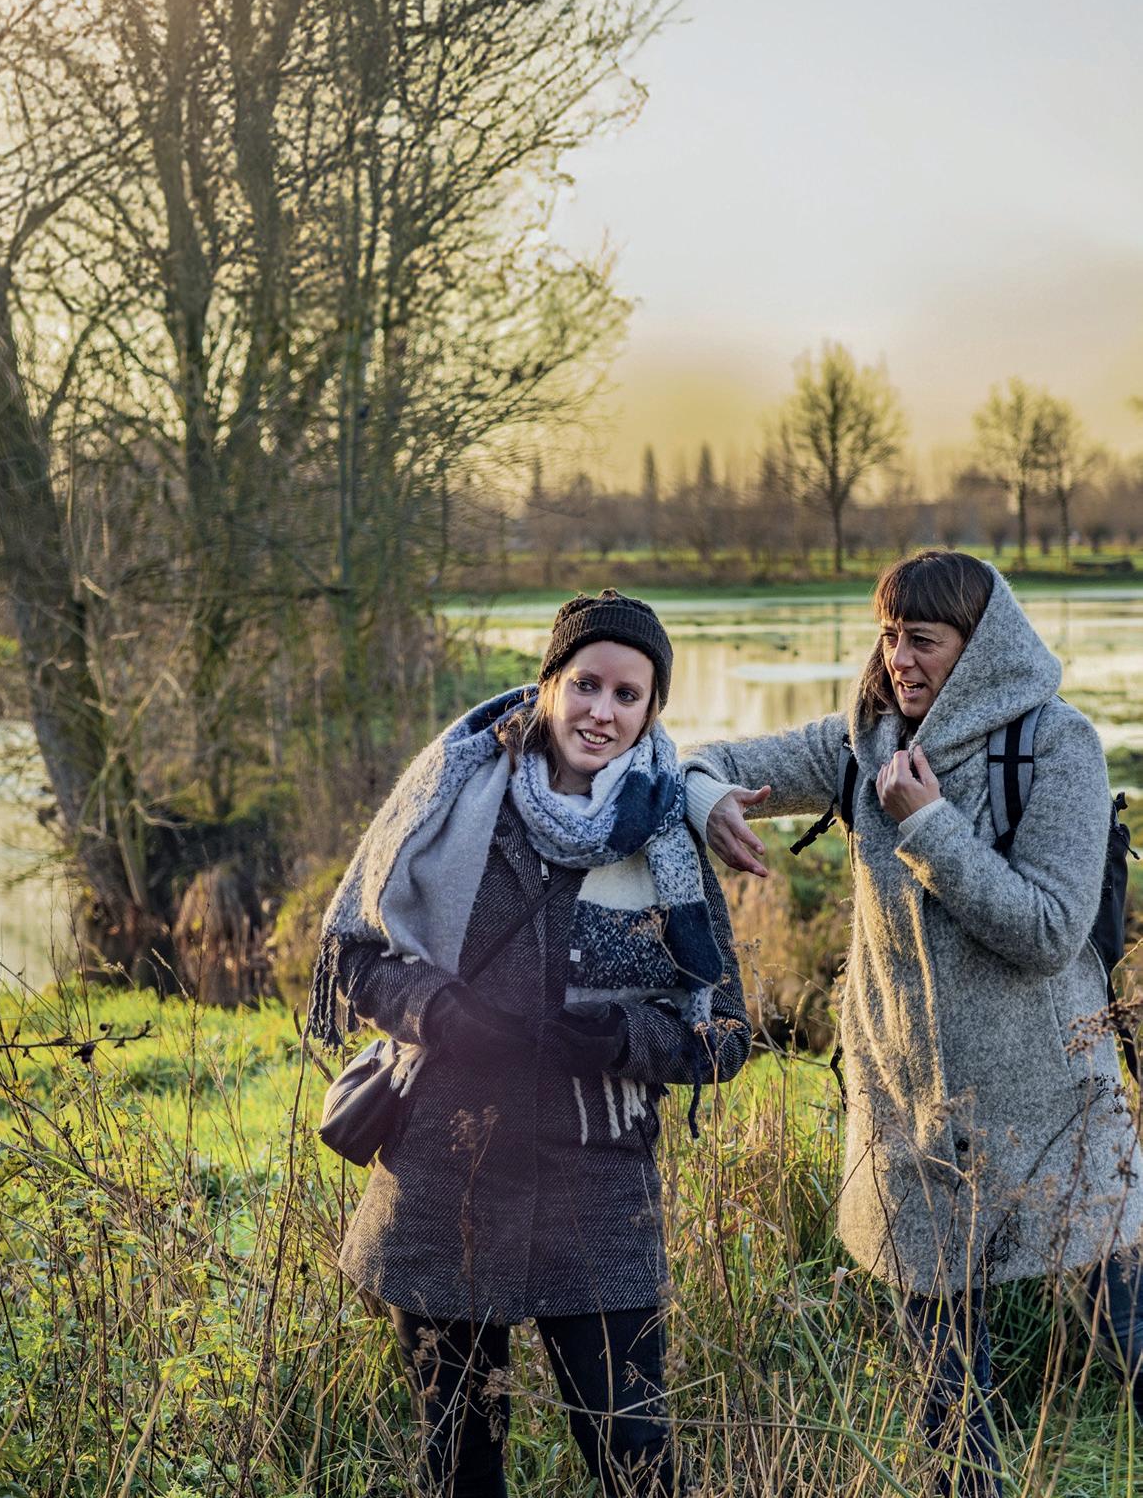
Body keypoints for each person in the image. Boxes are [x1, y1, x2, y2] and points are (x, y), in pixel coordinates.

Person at [683, 549, 1143, 1496]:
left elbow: (1049, 931)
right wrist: (704, 797)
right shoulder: (863, 744)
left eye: (921, 638)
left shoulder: (1056, 745)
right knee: (944, 1396)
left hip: (1053, 1110)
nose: (897, 658)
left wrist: (929, 827)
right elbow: (712, 759)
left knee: (1131, 1331)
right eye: (888, 635)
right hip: (909, 1119)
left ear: (979, 647)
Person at [312, 589, 751, 1497]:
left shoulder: (666, 830)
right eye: (585, 683)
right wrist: (435, 1007)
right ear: (549, 683)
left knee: (635, 1459)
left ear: (651, 710)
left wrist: (623, 1035)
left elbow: (724, 1032)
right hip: (444, 1173)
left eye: (627, 694)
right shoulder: (447, 801)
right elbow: (354, 958)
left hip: (598, 1185)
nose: (602, 711)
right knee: (458, 1459)